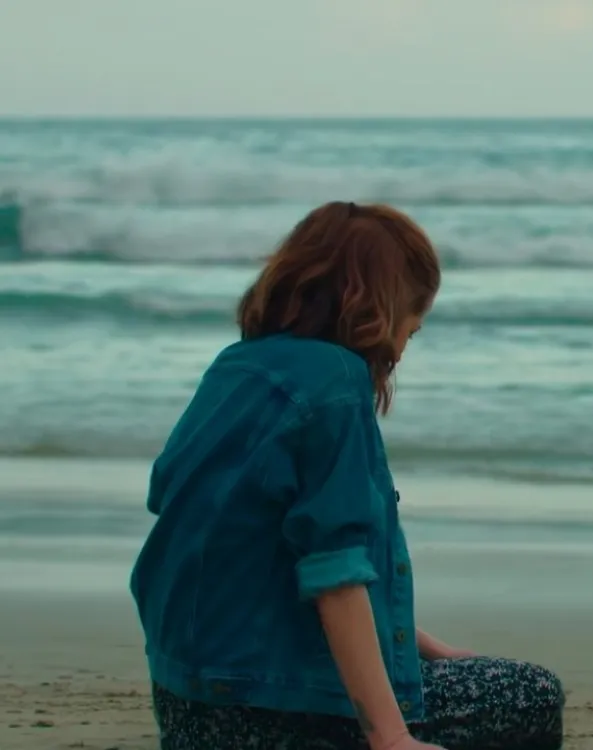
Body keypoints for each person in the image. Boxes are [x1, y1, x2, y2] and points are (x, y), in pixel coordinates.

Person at [130, 201, 564, 750]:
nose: (404, 347)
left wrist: (424, 649)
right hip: (266, 712)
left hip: (186, 707)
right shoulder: (335, 384)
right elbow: (334, 574)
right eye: (412, 328)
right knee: (531, 695)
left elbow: (227, 534)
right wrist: (391, 737)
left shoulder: (235, 368)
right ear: (382, 310)